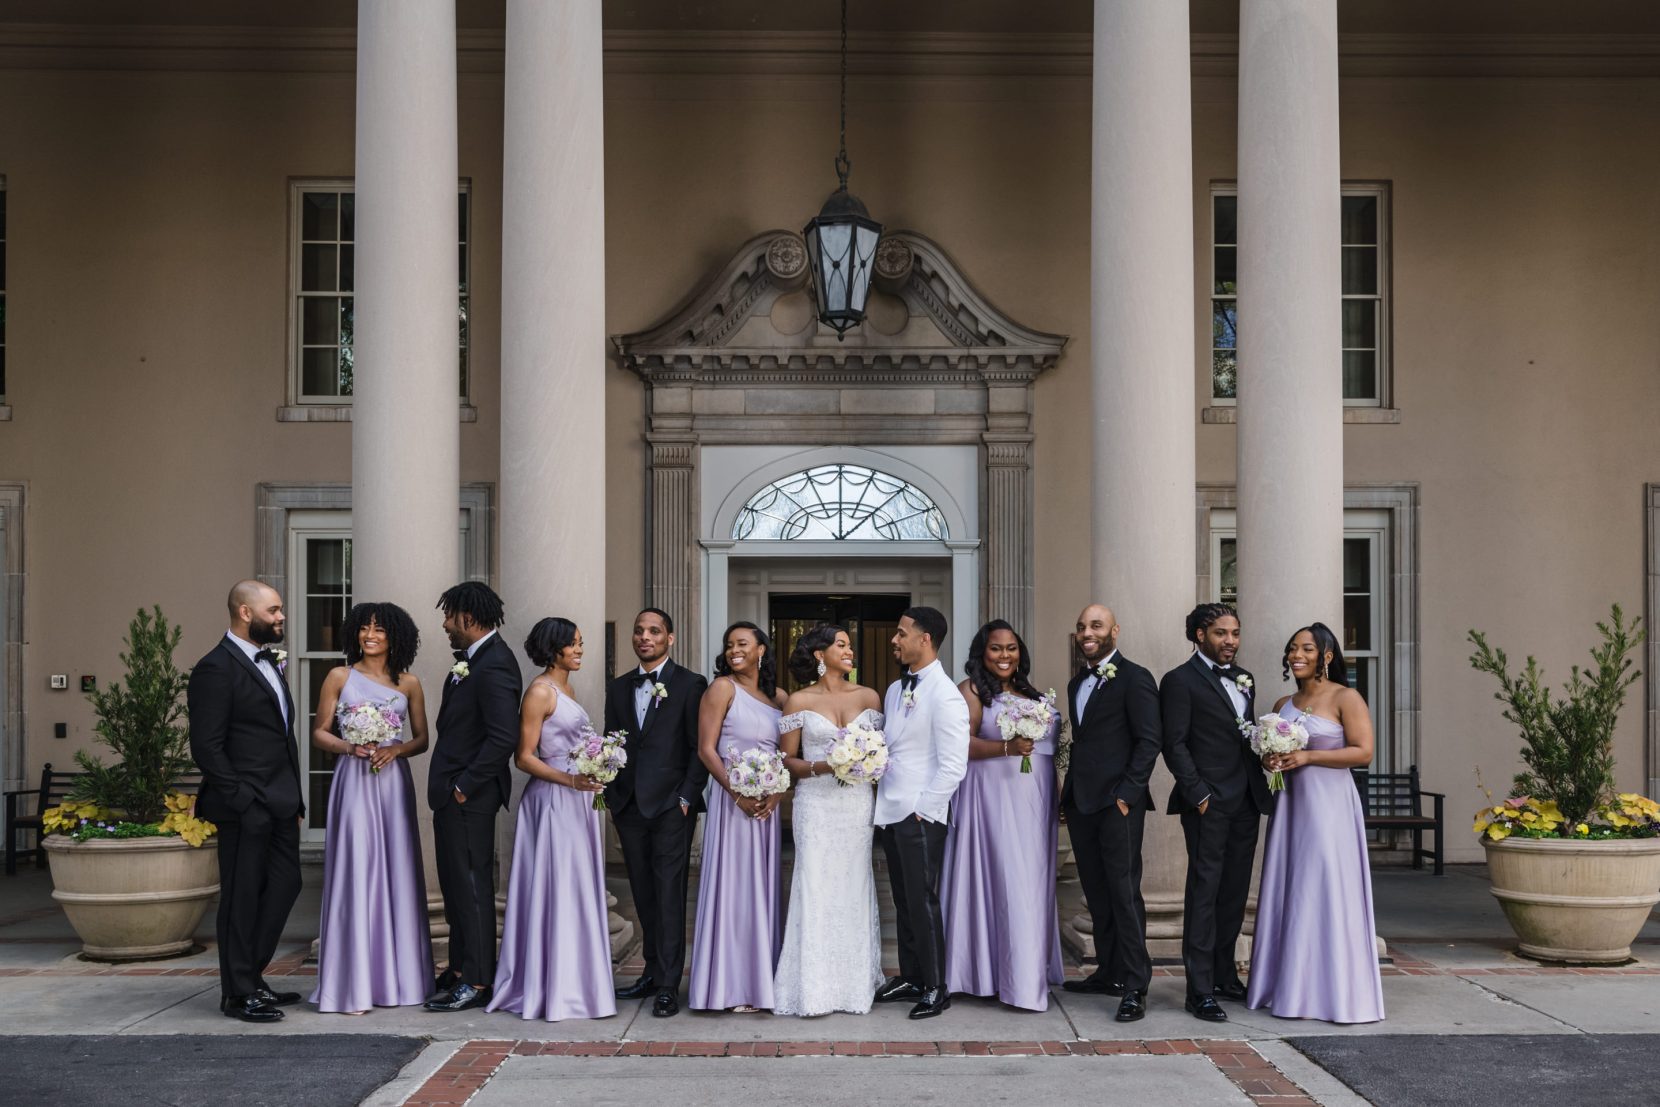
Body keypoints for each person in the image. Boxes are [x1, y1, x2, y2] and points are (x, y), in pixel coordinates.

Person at [1246, 623, 1385, 1024]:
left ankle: (1334, 992)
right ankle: (1289, 987)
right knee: (1292, 889)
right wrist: (1269, 759)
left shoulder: (1347, 697)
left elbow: (1363, 753)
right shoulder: (1283, 702)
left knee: (1324, 889)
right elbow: (1270, 756)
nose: (1297, 655)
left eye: (1306, 648)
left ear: (1326, 654)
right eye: (1292, 648)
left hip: (1329, 809)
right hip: (1291, 806)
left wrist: (1307, 758)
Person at [488, 618, 617, 1022]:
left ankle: (576, 982)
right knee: (555, 887)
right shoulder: (540, 693)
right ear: (554, 648)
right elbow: (523, 756)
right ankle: (549, 985)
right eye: (574, 645)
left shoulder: (568, 689)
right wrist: (570, 779)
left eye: (581, 643)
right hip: (553, 802)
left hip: (577, 801)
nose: (580, 650)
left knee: (576, 888)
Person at [187, 580, 305, 1023]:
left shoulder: (269, 662)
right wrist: (243, 801)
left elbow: (279, 737)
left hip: (280, 803)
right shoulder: (215, 668)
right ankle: (238, 992)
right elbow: (207, 746)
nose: (281, 617)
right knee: (241, 898)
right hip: (245, 807)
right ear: (244, 613)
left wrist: (293, 801)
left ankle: (251, 977)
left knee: (285, 885)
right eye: (273, 610)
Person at [308, 602, 434, 1014]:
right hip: (354, 781)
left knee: (395, 868)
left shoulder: (409, 683)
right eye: (364, 628)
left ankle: (401, 980)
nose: (370, 635)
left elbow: (422, 739)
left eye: (379, 629)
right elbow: (319, 733)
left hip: (392, 784)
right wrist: (351, 746)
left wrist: (395, 749)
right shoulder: (339, 676)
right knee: (357, 868)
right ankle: (353, 984)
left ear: (395, 635)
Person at [940, 619, 1064, 1012]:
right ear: (982, 653)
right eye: (996, 648)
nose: (1005, 655)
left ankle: (1027, 970)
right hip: (993, 797)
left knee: (1032, 881)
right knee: (1008, 881)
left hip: (1035, 799)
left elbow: (1047, 753)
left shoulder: (1031, 691)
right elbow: (958, 745)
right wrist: (1007, 749)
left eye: (1011, 648)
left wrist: (1058, 793)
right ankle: (1005, 978)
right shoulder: (971, 691)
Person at [1160, 602, 1271, 1023]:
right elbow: (1175, 744)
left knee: (1234, 893)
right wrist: (1200, 794)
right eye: (1222, 633)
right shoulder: (1179, 681)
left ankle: (1225, 974)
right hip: (1207, 804)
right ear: (1200, 635)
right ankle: (1199, 989)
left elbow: (1244, 738)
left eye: (1235, 633)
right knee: (1204, 894)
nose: (1231, 641)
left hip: (1247, 801)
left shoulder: (1246, 679)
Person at [773, 623, 885, 1016]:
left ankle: (853, 985)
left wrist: (865, 764)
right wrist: (826, 764)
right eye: (842, 645)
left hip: (855, 806)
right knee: (815, 885)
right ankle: (812, 987)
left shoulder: (870, 697)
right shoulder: (798, 701)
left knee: (854, 885)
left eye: (851, 645)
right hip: (815, 805)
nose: (850, 651)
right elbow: (787, 761)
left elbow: (880, 753)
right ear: (820, 654)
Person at [1058, 604, 1161, 1022]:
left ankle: (1136, 983)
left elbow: (1149, 740)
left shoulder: (1136, 678)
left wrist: (1126, 795)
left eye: (1096, 625)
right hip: (1082, 804)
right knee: (1097, 892)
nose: (1087, 632)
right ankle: (1109, 970)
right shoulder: (1076, 682)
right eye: (1082, 625)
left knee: (1123, 892)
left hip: (1117, 804)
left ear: (1114, 630)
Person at [605, 608, 708, 1019]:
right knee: (644, 892)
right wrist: (614, 796)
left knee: (668, 895)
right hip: (629, 805)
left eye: (654, 631)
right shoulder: (617, 688)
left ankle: (668, 984)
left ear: (670, 638)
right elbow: (615, 742)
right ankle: (651, 970)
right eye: (639, 631)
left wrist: (686, 797)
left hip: (671, 806)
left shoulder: (690, 684)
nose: (644, 637)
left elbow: (699, 746)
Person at [425, 582, 522, 1013]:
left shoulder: (496, 664)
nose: (446, 624)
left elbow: (502, 738)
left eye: (450, 617)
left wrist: (464, 786)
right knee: (455, 885)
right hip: (454, 794)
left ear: (468, 617)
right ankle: (462, 968)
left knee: (472, 887)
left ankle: (479, 980)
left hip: (470, 796)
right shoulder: (472, 661)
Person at [874, 606, 970, 1020]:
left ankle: (935, 986)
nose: (895, 640)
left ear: (924, 639)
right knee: (903, 899)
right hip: (891, 810)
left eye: (901, 633)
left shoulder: (946, 694)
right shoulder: (896, 690)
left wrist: (924, 811)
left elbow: (954, 765)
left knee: (924, 900)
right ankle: (911, 976)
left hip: (920, 815)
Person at [687, 621, 788, 1013]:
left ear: (762, 649)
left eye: (742, 643)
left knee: (761, 890)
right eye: (729, 645)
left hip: (766, 808)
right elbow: (706, 749)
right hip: (733, 808)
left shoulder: (778, 697)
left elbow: (784, 754)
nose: (734, 651)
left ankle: (760, 982)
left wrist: (776, 792)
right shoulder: (721, 688)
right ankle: (728, 986)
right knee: (733, 890)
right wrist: (736, 792)